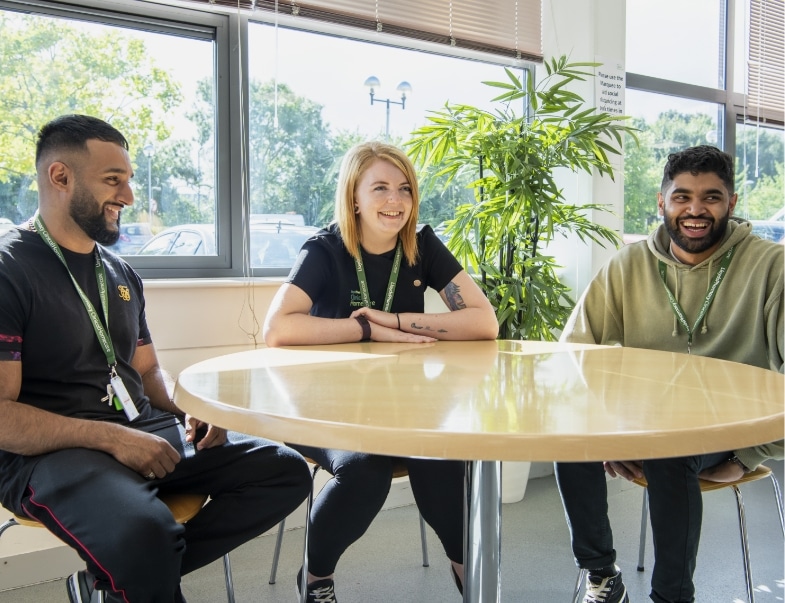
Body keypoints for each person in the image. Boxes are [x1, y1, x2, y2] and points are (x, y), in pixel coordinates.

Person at [0, 114, 311, 603]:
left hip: (142, 429)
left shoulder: (121, 274)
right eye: (112, 180)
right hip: (54, 454)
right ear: (59, 177)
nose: (128, 196)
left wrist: (188, 410)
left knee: (284, 469)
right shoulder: (8, 269)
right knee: (146, 535)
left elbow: (145, 370)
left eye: (128, 180)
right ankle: (140, 568)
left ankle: (115, 578)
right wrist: (110, 437)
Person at [263, 140, 499, 602]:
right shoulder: (325, 249)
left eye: (405, 189)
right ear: (354, 196)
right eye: (380, 188)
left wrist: (390, 320)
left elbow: (483, 321)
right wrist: (365, 332)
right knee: (365, 470)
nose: (395, 201)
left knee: (440, 455)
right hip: (322, 405)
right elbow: (278, 329)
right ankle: (315, 578)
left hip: (400, 406)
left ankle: (466, 570)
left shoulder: (421, 246)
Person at [555, 144, 784, 603]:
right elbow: (574, 355)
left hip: (727, 430)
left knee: (671, 451)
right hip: (642, 421)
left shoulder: (771, 265)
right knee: (568, 436)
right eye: (682, 197)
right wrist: (605, 432)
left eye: (711, 197)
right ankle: (601, 574)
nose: (695, 210)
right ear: (662, 202)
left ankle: (672, 597)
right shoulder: (627, 265)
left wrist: (750, 453)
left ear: (731, 203)